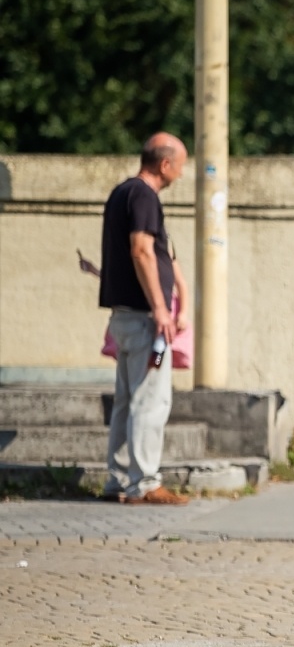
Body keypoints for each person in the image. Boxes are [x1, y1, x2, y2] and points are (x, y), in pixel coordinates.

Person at [98, 133, 191, 506]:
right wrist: (160, 308)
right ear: (165, 164)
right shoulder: (144, 196)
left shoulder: (121, 193)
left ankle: (119, 479)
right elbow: (142, 250)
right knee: (150, 401)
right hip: (142, 321)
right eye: (181, 166)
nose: (181, 175)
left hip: (124, 318)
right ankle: (145, 483)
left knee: (127, 400)